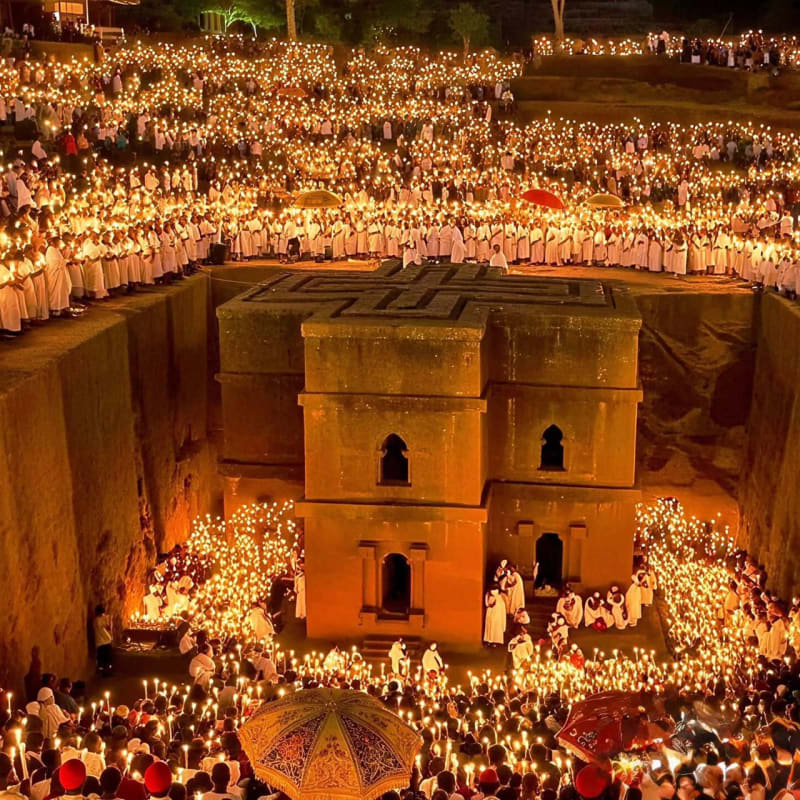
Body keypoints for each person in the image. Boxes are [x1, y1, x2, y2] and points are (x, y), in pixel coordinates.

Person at [94, 604, 113, 676]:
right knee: (102, 658)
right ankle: (103, 672)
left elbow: (108, 626)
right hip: (101, 642)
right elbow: (102, 627)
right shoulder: (96, 620)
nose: (102, 614)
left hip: (106, 641)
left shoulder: (103, 618)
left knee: (108, 657)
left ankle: (108, 671)